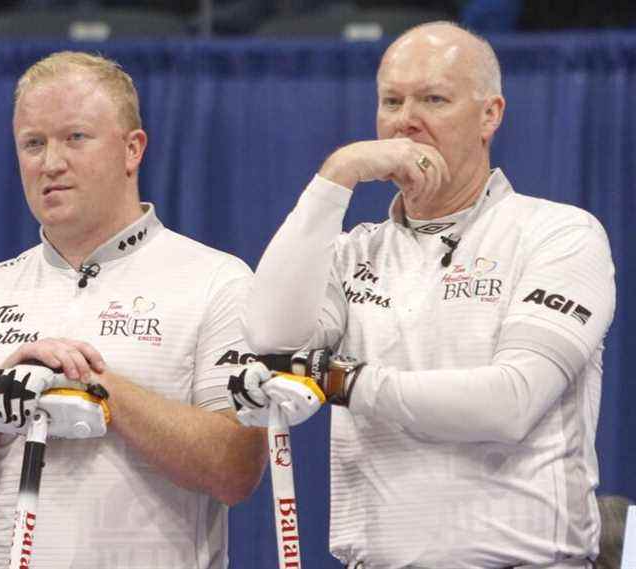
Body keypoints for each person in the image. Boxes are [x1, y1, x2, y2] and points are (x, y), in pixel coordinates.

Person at [234, 21, 616, 569]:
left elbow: (509, 404)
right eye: (391, 101)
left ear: (491, 115)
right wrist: (336, 176)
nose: (405, 121)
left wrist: (343, 381)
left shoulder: (558, 233)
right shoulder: (354, 252)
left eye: (433, 99)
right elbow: (271, 335)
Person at [0, 51, 267, 568]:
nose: (51, 162)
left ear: (133, 149)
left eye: (75, 138)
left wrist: (94, 385)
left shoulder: (216, 280)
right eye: (33, 143)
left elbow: (236, 467)